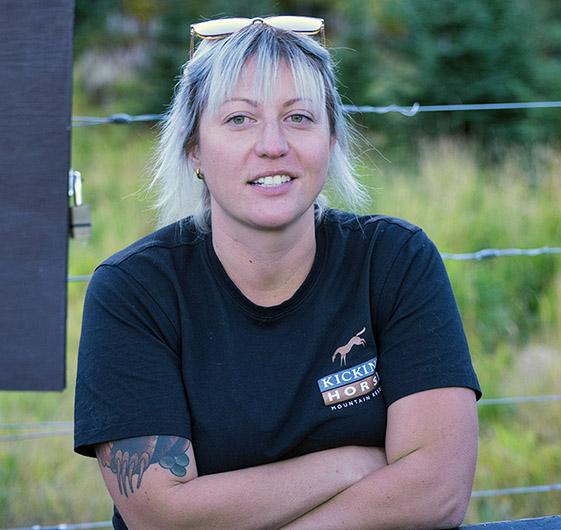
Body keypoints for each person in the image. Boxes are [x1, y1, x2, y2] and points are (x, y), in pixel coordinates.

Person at [74, 15, 481, 530]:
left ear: (331, 139)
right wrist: (349, 465)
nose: (273, 145)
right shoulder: (133, 291)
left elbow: (437, 491)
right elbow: (161, 516)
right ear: (194, 147)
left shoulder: (395, 261)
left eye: (300, 117)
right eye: (239, 119)